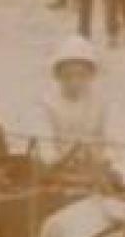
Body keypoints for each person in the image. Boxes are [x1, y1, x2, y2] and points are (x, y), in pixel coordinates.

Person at [38, 35, 108, 172]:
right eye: (68, 75)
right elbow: (44, 147)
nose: (74, 82)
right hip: (57, 171)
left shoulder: (100, 103)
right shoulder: (46, 104)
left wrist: (104, 158)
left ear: (91, 75)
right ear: (57, 75)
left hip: (94, 170)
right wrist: (58, 161)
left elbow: (111, 143)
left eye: (81, 75)